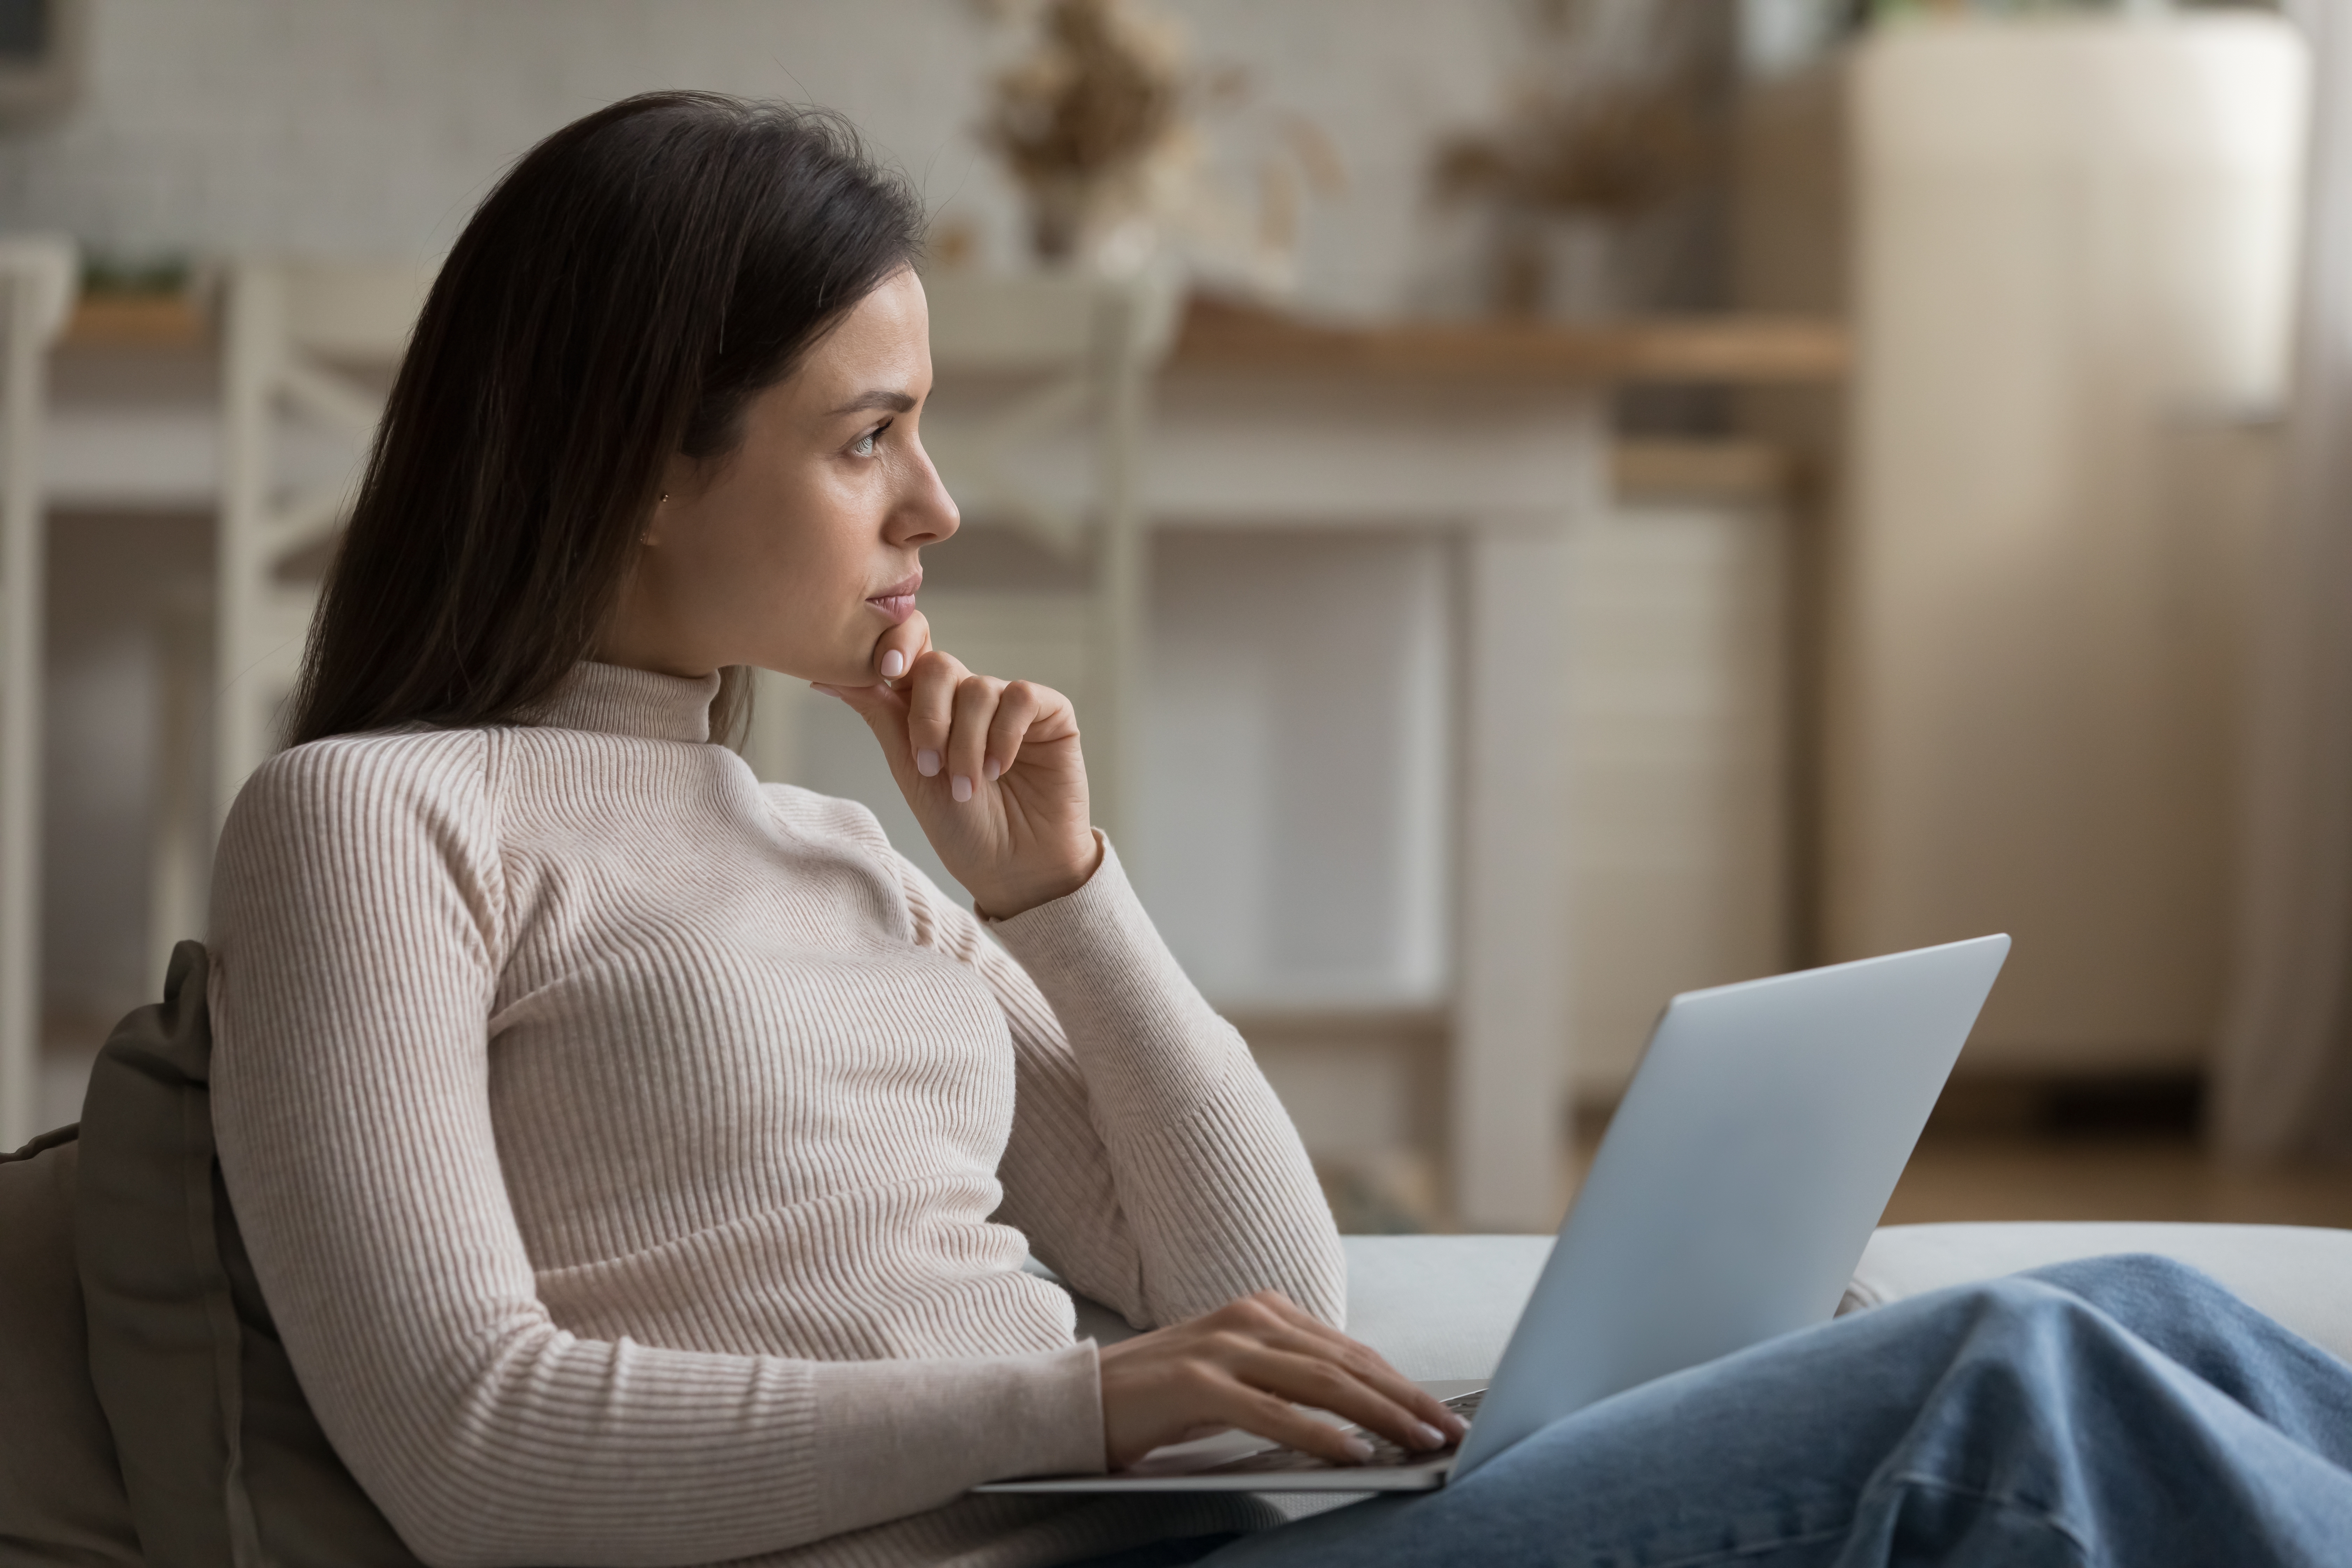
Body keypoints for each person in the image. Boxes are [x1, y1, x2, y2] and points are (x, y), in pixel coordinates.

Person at [206, 92, 2352, 1568]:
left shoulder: (847, 855)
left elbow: (1261, 1295)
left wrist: (1061, 902)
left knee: (2143, 1305)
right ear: (640, 464)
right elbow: (470, 1445)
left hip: (1207, 1537)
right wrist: (1078, 1413)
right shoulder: (373, 824)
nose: (937, 511)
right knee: (2015, 1385)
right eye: (870, 440)